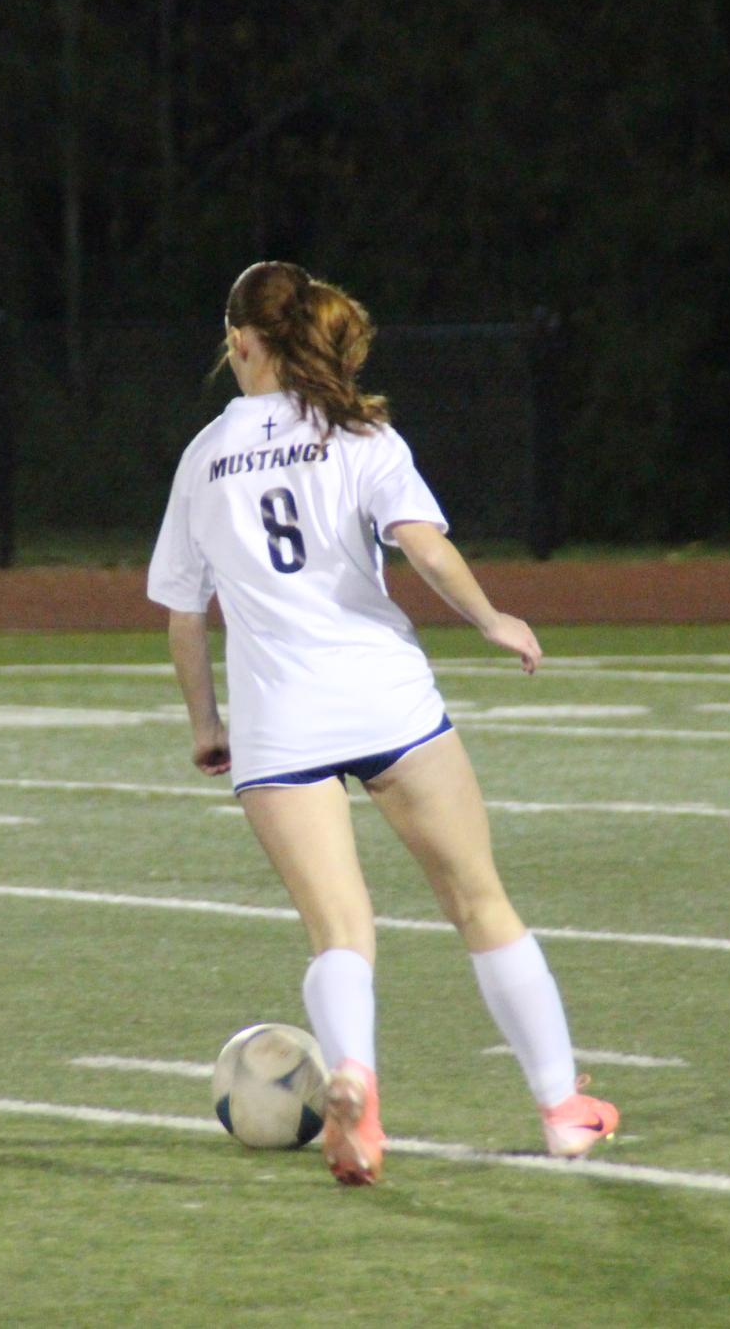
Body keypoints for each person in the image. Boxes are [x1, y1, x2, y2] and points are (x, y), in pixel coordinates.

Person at [147, 261, 618, 1186]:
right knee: (480, 901)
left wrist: (206, 724)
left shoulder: (204, 456)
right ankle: (563, 1110)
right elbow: (422, 544)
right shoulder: (360, 430)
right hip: (386, 702)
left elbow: (182, 616)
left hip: (279, 725)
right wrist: (491, 619)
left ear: (241, 340)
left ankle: (354, 1083)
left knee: (340, 933)